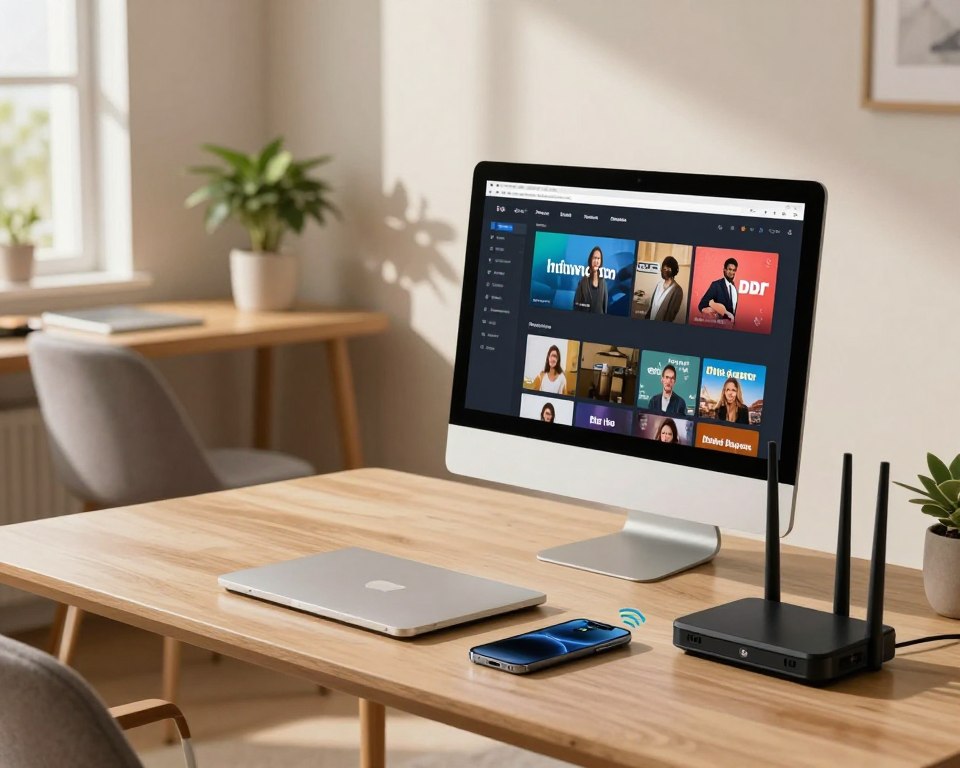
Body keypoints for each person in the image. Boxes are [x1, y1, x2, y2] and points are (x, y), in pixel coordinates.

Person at [697, 257, 738, 322]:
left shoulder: (734, 289)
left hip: (732, 325)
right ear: (724, 270)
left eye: (734, 270)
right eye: (730, 269)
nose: (731, 272)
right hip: (719, 325)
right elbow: (702, 304)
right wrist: (712, 310)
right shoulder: (716, 285)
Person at [644, 255, 683, 322]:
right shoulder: (659, 285)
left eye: (668, 269)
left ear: (673, 270)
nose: (665, 271)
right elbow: (652, 306)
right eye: (664, 269)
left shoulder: (678, 290)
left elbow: (671, 315)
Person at [573, 246, 608, 314]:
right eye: (594, 258)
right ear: (590, 260)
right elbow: (576, 304)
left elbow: (605, 308)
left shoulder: (603, 283)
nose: (596, 261)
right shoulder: (583, 281)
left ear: (601, 261)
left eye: (598, 258)